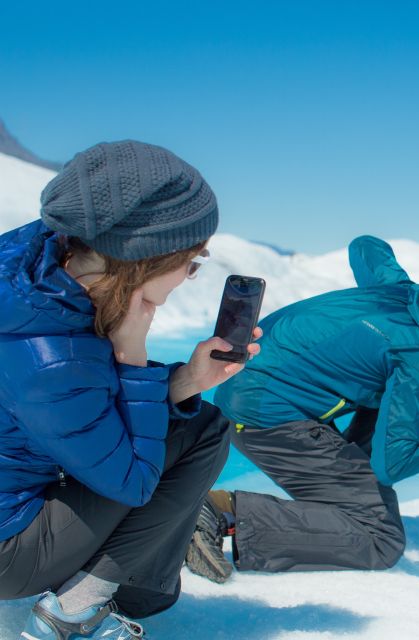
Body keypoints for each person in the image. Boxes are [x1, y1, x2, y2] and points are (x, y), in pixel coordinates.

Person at [0, 141, 261, 639]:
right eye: (192, 261)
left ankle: (133, 588)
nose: (189, 276)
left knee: (197, 418)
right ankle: (75, 611)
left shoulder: (39, 278)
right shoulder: (50, 358)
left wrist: (186, 381)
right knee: (204, 431)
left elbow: (86, 409)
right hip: (7, 551)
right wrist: (134, 356)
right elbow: (135, 480)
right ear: (146, 258)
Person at [186, 235, 419, 581]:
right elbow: (394, 464)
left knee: (372, 463)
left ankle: (295, 511)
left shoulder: (409, 297)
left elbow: (365, 247)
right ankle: (218, 513)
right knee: (379, 537)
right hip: (263, 413)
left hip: (255, 389)